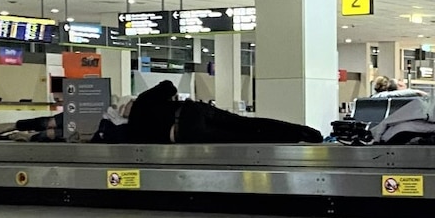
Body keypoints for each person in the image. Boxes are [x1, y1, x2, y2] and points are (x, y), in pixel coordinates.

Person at [127, 80, 322, 144]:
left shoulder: (134, 135)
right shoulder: (141, 102)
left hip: (185, 134)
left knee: (243, 137)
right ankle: (304, 131)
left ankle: (296, 138)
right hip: (190, 112)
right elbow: (169, 87)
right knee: (246, 123)